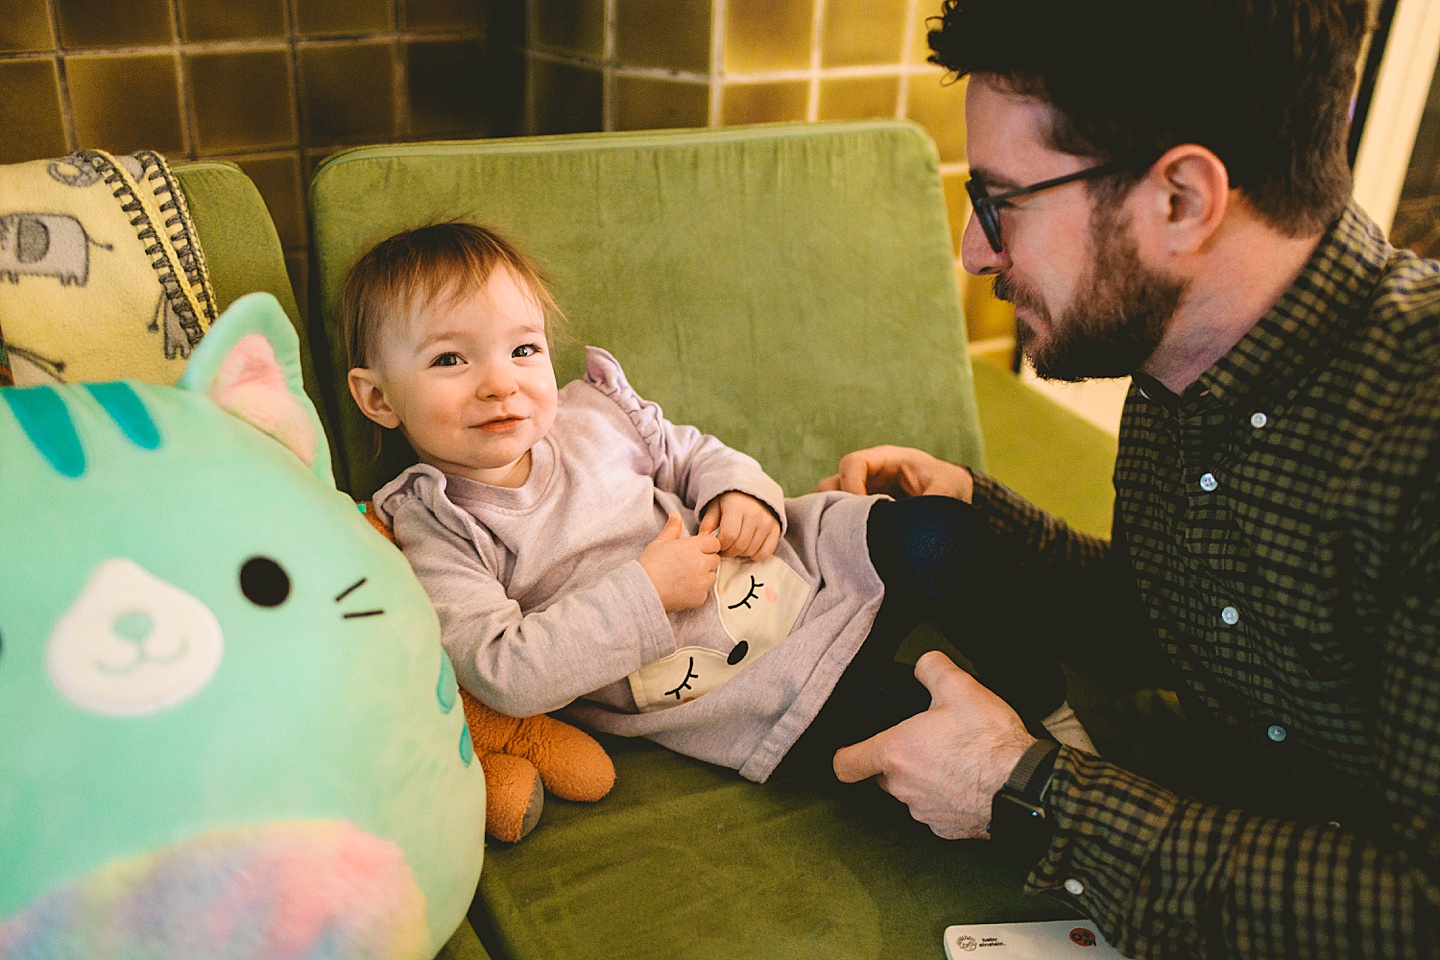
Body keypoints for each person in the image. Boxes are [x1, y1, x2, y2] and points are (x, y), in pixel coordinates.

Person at [819, 1, 1439, 957]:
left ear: (1182, 200)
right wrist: (982, 515)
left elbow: (1418, 910)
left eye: (1001, 200)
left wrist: (1024, 793)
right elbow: (1189, 623)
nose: (974, 251)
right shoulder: (1177, 357)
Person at [340, 221, 1087, 786]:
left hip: (799, 569)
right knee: (927, 734)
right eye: (449, 359)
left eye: (523, 349)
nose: (500, 383)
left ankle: (1044, 695)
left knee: (942, 532)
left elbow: (695, 453)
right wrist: (647, 592)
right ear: (377, 397)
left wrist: (738, 490)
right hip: (751, 697)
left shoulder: (593, 413)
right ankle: (1034, 764)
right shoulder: (435, 528)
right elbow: (503, 670)